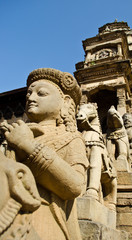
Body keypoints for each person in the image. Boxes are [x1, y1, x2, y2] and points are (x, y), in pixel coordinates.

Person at [1, 68, 89, 240]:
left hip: (44, 217)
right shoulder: (14, 134)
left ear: (65, 102)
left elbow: (75, 185)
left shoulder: (71, 138)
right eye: (28, 95)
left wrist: (27, 146)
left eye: (41, 94)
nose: (31, 98)